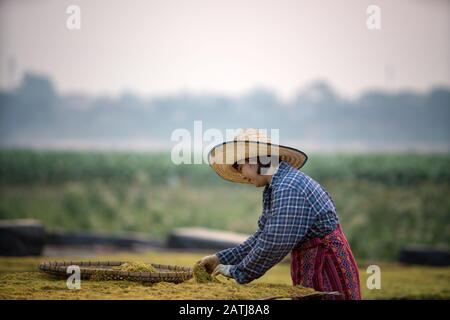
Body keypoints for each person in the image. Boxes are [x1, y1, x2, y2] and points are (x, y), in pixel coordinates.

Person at [198, 128, 361, 300]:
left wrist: (238, 271)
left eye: (240, 167)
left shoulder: (288, 188)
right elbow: (262, 237)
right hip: (311, 264)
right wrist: (220, 258)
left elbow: (274, 242)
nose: (242, 176)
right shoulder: (277, 186)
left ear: (254, 161)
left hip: (326, 269)